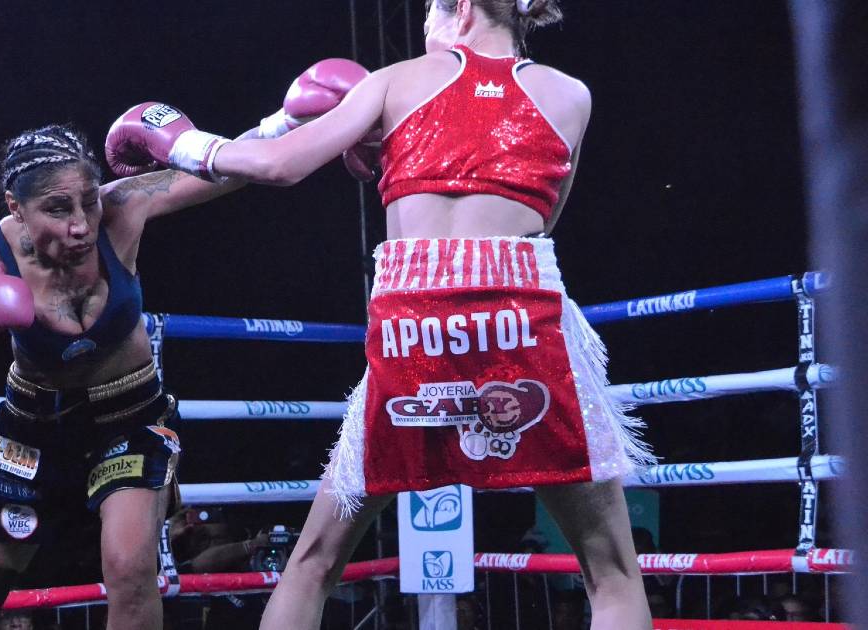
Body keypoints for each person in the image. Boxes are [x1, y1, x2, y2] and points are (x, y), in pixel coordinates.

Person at [106, 1, 655, 628]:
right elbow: (541, 222)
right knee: (612, 574)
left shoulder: (396, 81)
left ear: (461, 7)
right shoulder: (572, 95)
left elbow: (276, 165)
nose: (423, 28)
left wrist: (180, 141)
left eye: (428, 14)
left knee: (314, 563)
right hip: (519, 318)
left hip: (412, 325)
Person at [0, 59, 368, 630]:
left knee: (131, 572)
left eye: (87, 200)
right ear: (16, 206)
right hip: (32, 428)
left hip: (130, 416)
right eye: (57, 209)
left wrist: (286, 122)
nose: (81, 224)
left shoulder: (123, 208)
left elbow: (224, 171)